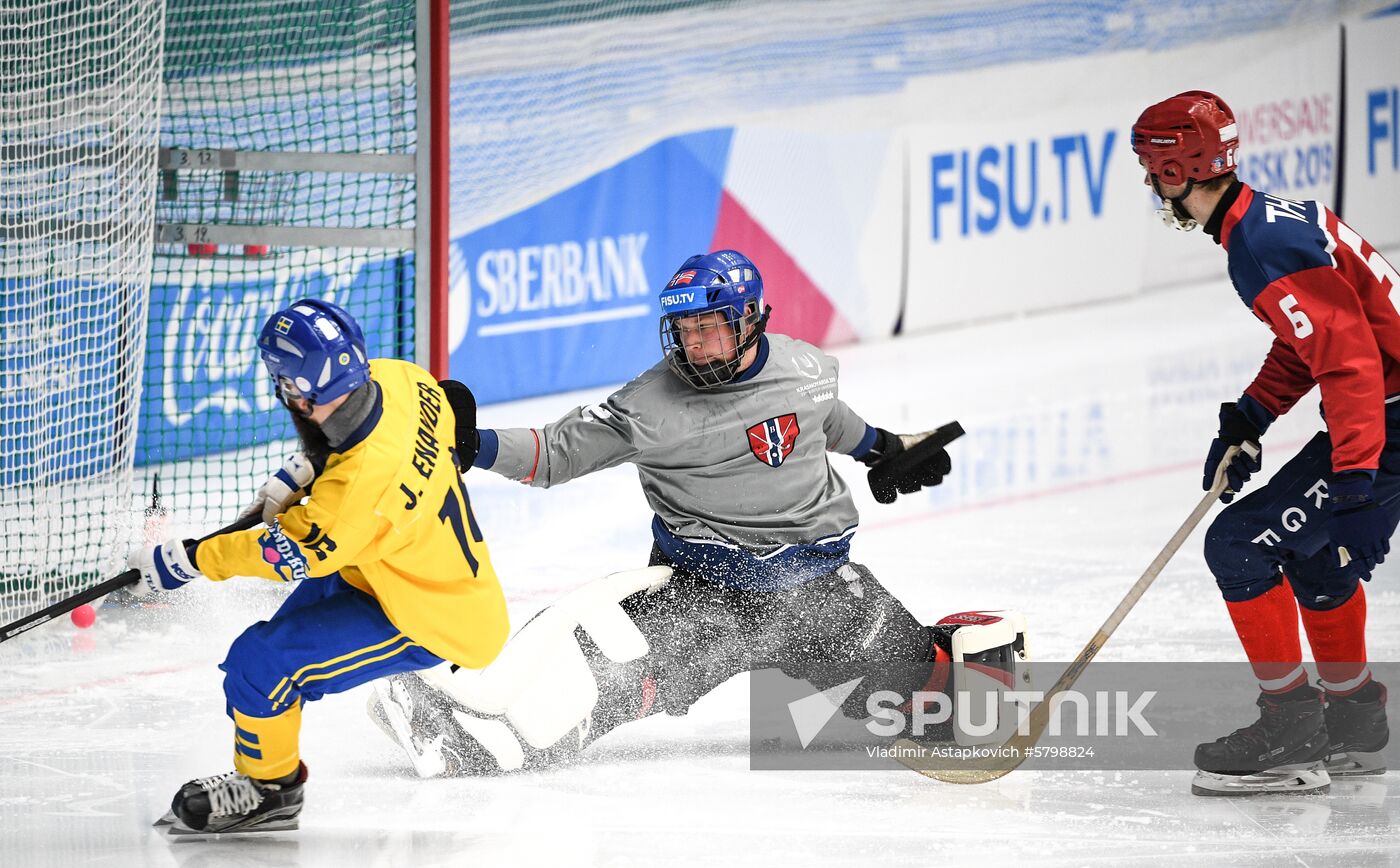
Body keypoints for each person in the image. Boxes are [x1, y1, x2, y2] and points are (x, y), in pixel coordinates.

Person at [368, 249, 1027, 776]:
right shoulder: (647, 406)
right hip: (710, 593)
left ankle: (959, 647)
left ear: (749, 320)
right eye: (685, 331)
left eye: (710, 328)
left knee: (929, 699)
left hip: (820, 590)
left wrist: (888, 449)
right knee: (609, 677)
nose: (696, 346)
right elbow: (555, 452)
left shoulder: (809, 369)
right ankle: (482, 733)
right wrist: (473, 446)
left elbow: (832, 423)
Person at [128, 298, 509, 832]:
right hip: (390, 568)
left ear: (297, 389)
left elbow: (278, 553)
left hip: (431, 618)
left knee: (261, 664)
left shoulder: (352, 500)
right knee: (265, 662)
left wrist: (185, 561)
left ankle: (270, 792)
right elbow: (449, 400)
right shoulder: (401, 380)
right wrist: (308, 466)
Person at [1132, 91, 1393, 796]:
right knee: (1315, 560)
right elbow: (1316, 339)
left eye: (1154, 171)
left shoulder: (1260, 242)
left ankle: (1291, 730)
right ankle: (1355, 723)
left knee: (1239, 545)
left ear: (1178, 168)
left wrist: (1356, 475)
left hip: (1388, 421)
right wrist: (1251, 416)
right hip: (1387, 412)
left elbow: (1349, 361)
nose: (1153, 186)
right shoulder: (1267, 219)